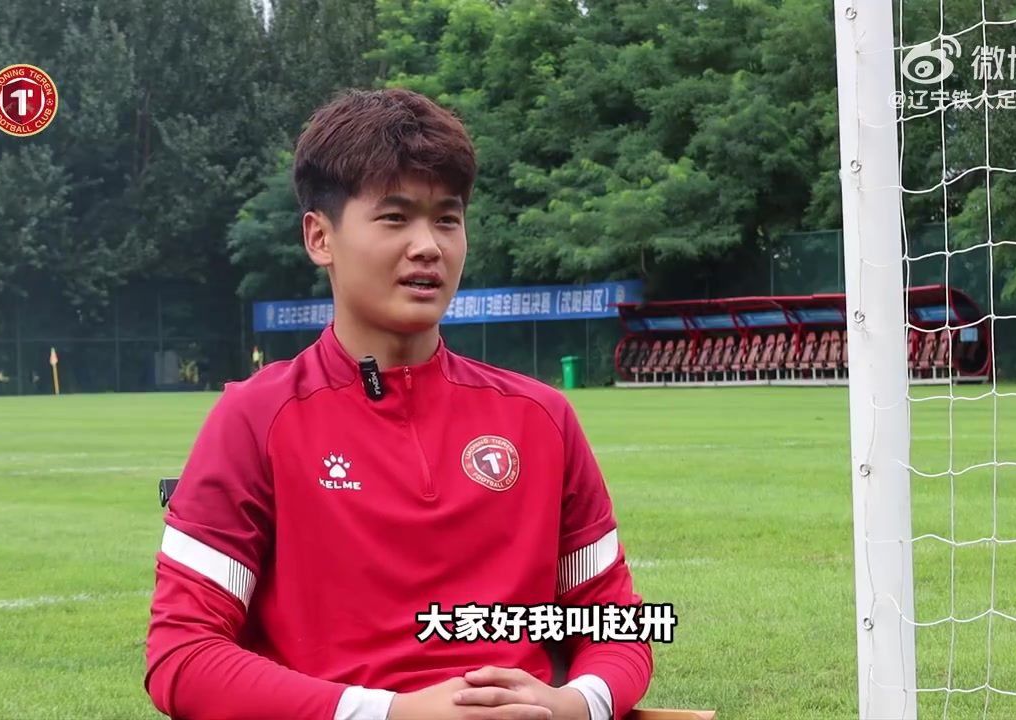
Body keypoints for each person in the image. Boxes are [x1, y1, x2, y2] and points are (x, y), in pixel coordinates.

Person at [144, 88, 653, 720]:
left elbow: (618, 624)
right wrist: (393, 713)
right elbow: (183, 655)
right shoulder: (255, 419)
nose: (428, 246)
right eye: (394, 217)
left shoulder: (542, 418)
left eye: (447, 218)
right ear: (320, 237)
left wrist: (575, 703)